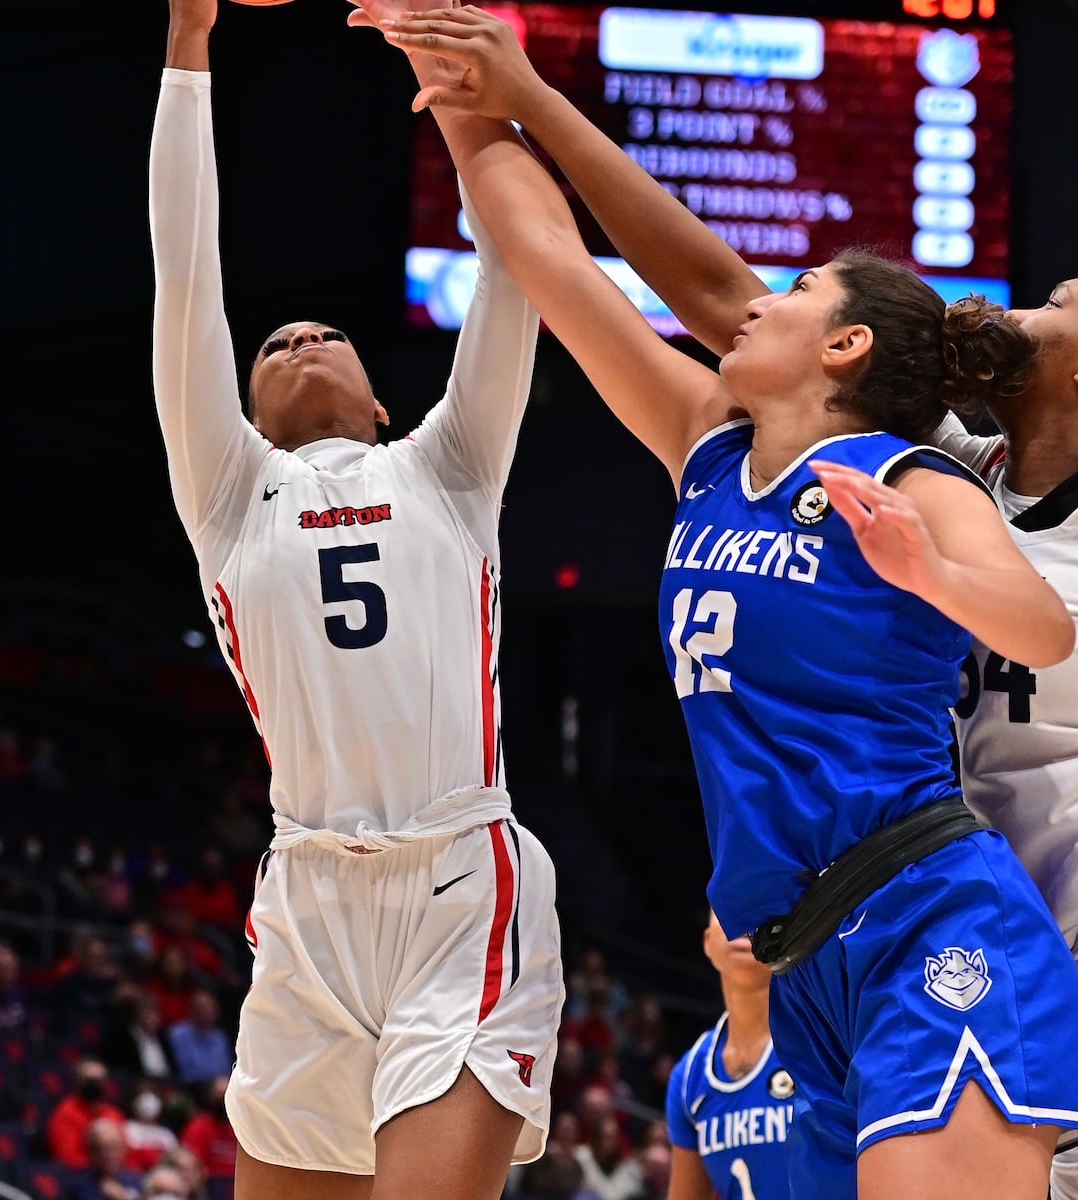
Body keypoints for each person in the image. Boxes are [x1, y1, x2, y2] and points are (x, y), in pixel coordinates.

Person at [359, 9, 1078, 1200]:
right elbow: (668, 282)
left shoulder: (923, 488)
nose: (1031, 303)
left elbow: (1040, 628)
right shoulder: (896, 454)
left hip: (969, 926)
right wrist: (491, 86)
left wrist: (931, 574)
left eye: (1062, 302)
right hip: (837, 947)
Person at [149, 2, 564, 1195]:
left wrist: (469, 95)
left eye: (328, 331)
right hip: (308, 901)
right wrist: (189, 37)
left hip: (457, 878)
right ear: (238, 401)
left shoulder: (449, 465)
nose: (303, 336)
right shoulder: (230, 493)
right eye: (277, 340)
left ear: (386, 401)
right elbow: (186, 270)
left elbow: (516, 271)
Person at [666, 912, 791, 1200]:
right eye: (726, 910)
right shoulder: (688, 1076)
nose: (744, 922)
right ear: (708, 942)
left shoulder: (818, 1042)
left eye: (758, 911)